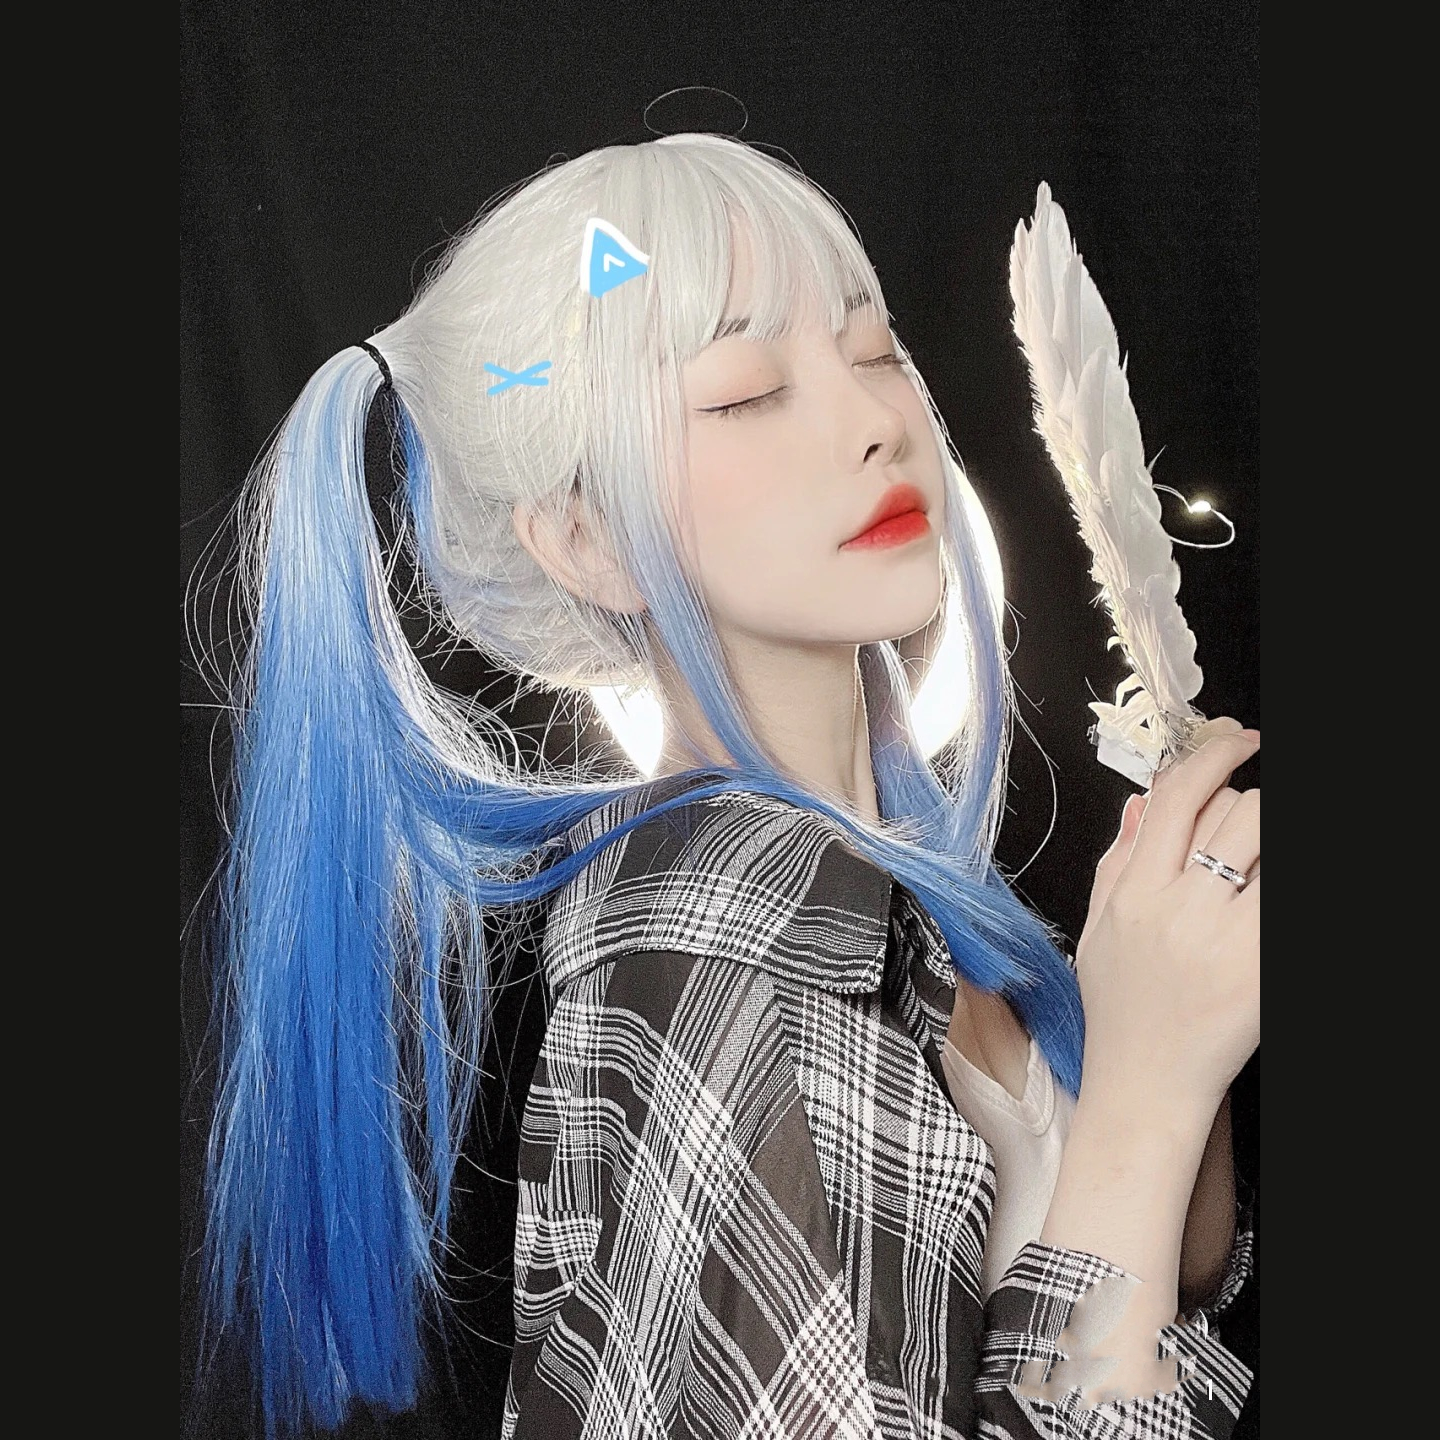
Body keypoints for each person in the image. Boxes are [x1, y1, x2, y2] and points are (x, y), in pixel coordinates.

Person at [200, 132, 1257, 1439]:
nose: (877, 422)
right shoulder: (709, 930)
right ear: (587, 536)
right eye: (750, 393)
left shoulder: (893, 896)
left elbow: (1157, 1278)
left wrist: (1171, 1001)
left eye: (875, 352)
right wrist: (1149, 1083)